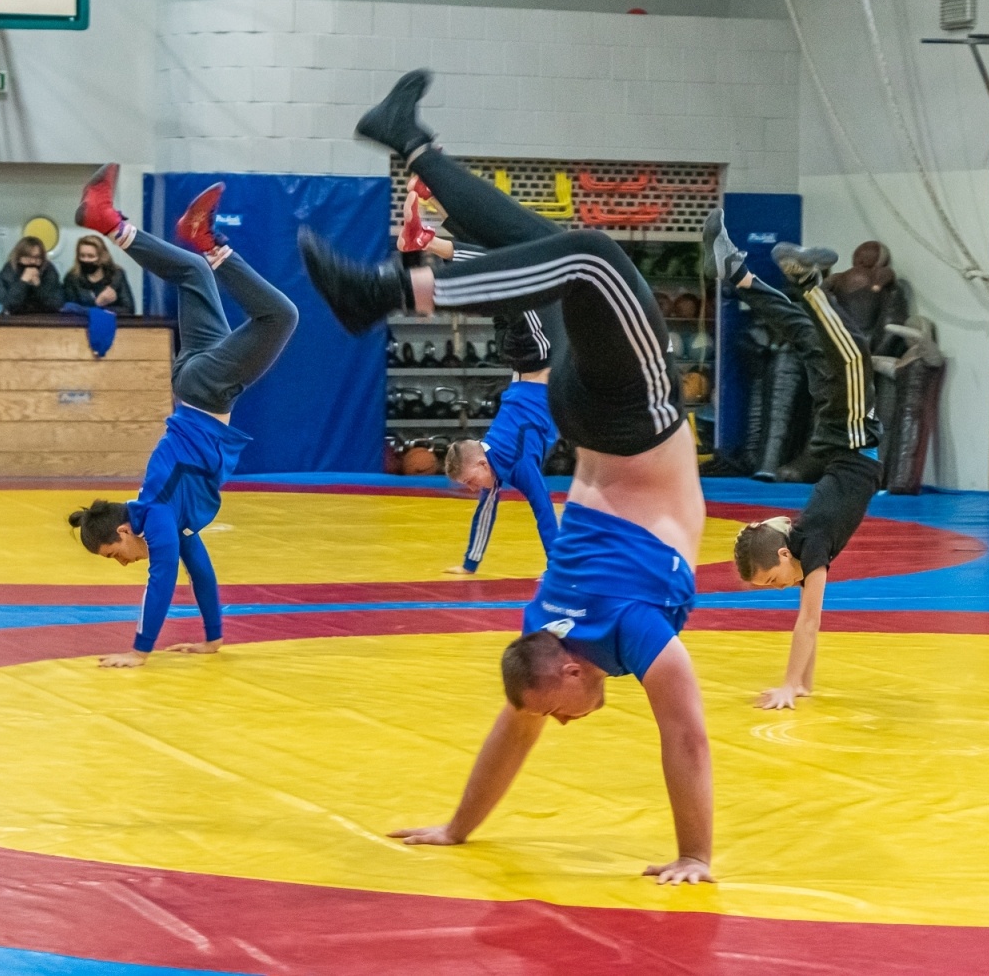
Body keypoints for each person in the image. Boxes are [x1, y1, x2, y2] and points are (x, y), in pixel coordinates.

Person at [299, 69, 713, 886]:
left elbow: (687, 734)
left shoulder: (621, 636)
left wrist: (697, 853)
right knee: (553, 256)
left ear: (562, 669)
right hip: (583, 412)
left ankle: (386, 284)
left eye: (556, 711)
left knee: (585, 258)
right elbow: (516, 726)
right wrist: (456, 829)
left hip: (629, 418)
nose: (563, 725)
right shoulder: (539, 630)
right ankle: (410, 149)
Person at [63, 165, 298, 669]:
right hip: (194, 379)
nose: (123, 564)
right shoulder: (168, 514)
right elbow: (202, 575)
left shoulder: (157, 517)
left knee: (281, 316)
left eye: (113, 556)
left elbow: (163, 578)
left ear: (123, 534)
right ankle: (114, 222)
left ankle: (208, 240)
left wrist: (138, 652)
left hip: (206, 389)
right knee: (192, 273)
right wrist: (213, 639)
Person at [705, 214, 883, 711]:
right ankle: (741, 276)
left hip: (850, 441)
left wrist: (786, 685)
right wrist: (803, 682)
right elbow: (810, 621)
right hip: (838, 441)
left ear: (784, 557)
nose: (775, 589)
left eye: (769, 582)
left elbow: (809, 621)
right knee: (809, 340)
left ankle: (806, 282)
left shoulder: (813, 543)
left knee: (852, 357)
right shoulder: (804, 546)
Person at [393, 181, 561, 576]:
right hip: (521, 358)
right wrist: (469, 565)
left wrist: (555, 567)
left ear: (481, 463)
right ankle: (432, 205)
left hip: (538, 351)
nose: (474, 490)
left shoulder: (514, 464)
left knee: (510, 268)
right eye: (471, 486)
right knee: (501, 261)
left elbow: (544, 511)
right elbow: (484, 520)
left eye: (471, 483)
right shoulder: (495, 466)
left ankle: (428, 236)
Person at [63, 233, 137, 315]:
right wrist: (98, 304)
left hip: (113, 324)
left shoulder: (116, 275)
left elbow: (129, 309)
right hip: (80, 325)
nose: (86, 260)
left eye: (91, 256)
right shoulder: (72, 277)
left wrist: (98, 310)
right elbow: (69, 309)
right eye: (82, 256)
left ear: (102, 257)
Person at [0, 236, 64, 315]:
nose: (33, 261)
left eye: (37, 258)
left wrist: (39, 287)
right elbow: (3, 307)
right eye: (28, 257)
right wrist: (22, 283)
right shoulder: (7, 275)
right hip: (13, 322)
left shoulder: (49, 272)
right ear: (18, 258)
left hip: (44, 322)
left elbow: (57, 305)